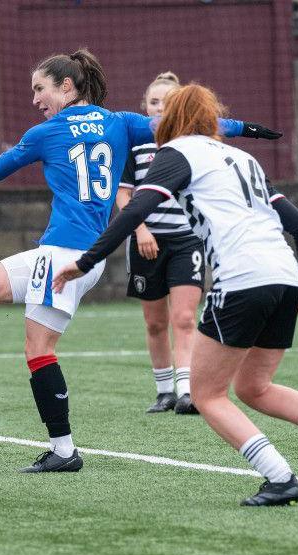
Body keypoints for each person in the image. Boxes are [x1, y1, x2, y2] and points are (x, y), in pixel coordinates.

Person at [0, 50, 280, 472]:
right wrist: (246, 128)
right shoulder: (121, 122)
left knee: (27, 336)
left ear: (66, 86)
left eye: (39, 89)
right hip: (85, 254)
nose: (34, 99)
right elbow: (186, 128)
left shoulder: (45, 133)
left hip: (66, 253)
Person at [53, 84, 298, 506]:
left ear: (172, 122)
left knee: (206, 394)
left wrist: (87, 261)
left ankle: (280, 478)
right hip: (284, 275)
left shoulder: (177, 152)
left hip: (242, 278)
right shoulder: (244, 158)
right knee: (255, 387)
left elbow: (134, 210)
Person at [117, 72, 202, 415]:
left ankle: (187, 391)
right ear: (144, 107)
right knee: (155, 323)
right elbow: (123, 197)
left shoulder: (194, 145)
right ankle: (164, 391)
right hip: (146, 242)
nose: (160, 109)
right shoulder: (135, 146)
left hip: (186, 241)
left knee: (184, 318)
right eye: (154, 102)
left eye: (168, 103)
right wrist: (141, 231)